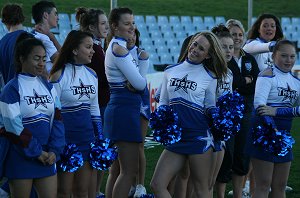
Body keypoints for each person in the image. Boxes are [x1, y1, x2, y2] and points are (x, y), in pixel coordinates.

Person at [150, 31, 228, 198]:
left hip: (198, 136)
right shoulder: (170, 70)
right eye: (195, 44)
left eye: (201, 49)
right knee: (157, 184)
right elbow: (163, 102)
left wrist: (217, 117)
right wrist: (162, 122)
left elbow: (209, 105)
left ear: (207, 55)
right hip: (177, 136)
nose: (195, 49)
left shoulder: (210, 76)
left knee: (202, 189)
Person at [0, 37, 65, 198]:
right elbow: (12, 126)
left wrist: (54, 151)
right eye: (36, 58)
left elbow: (58, 119)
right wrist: (37, 153)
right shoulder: (11, 89)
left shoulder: (48, 86)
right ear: (22, 59)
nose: (42, 63)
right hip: (20, 155)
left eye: (44, 59)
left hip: (47, 155)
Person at [49, 30, 100, 198]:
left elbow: (94, 109)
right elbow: (52, 113)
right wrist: (57, 141)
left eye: (92, 47)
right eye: (88, 47)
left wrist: (98, 137)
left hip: (86, 139)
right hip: (65, 140)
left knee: (82, 190)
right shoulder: (58, 75)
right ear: (75, 50)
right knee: (63, 191)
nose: (92, 51)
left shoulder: (92, 75)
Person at [103, 7, 147, 197]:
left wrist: (136, 53)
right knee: (129, 171)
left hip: (122, 108)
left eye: (133, 23)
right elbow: (140, 84)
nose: (132, 27)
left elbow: (137, 83)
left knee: (119, 170)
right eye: (127, 23)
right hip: (124, 110)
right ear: (115, 26)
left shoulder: (119, 47)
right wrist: (144, 62)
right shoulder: (118, 48)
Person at [247, 40, 299, 198]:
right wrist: (273, 131)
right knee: (263, 185)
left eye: (292, 56)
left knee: (280, 185)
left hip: (284, 135)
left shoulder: (296, 82)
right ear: (274, 55)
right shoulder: (267, 75)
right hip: (265, 133)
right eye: (284, 56)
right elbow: (259, 106)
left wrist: (277, 112)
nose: (288, 60)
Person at [75, 7, 109, 198]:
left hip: (100, 103)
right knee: (98, 149)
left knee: (100, 149)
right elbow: (103, 79)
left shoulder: (98, 46)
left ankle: (94, 190)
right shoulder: (93, 49)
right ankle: (93, 191)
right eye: (102, 24)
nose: (106, 27)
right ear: (91, 27)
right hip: (98, 105)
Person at [0, 3, 33, 90]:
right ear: (22, 17)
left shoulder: (1, 42)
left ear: (4, 20)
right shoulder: (30, 39)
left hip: (9, 91)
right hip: (28, 91)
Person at [31, 0, 61, 74]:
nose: (58, 18)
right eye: (55, 14)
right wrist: (52, 37)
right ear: (46, 15)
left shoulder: (34, 34)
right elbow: (61, 61)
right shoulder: (43, 38)